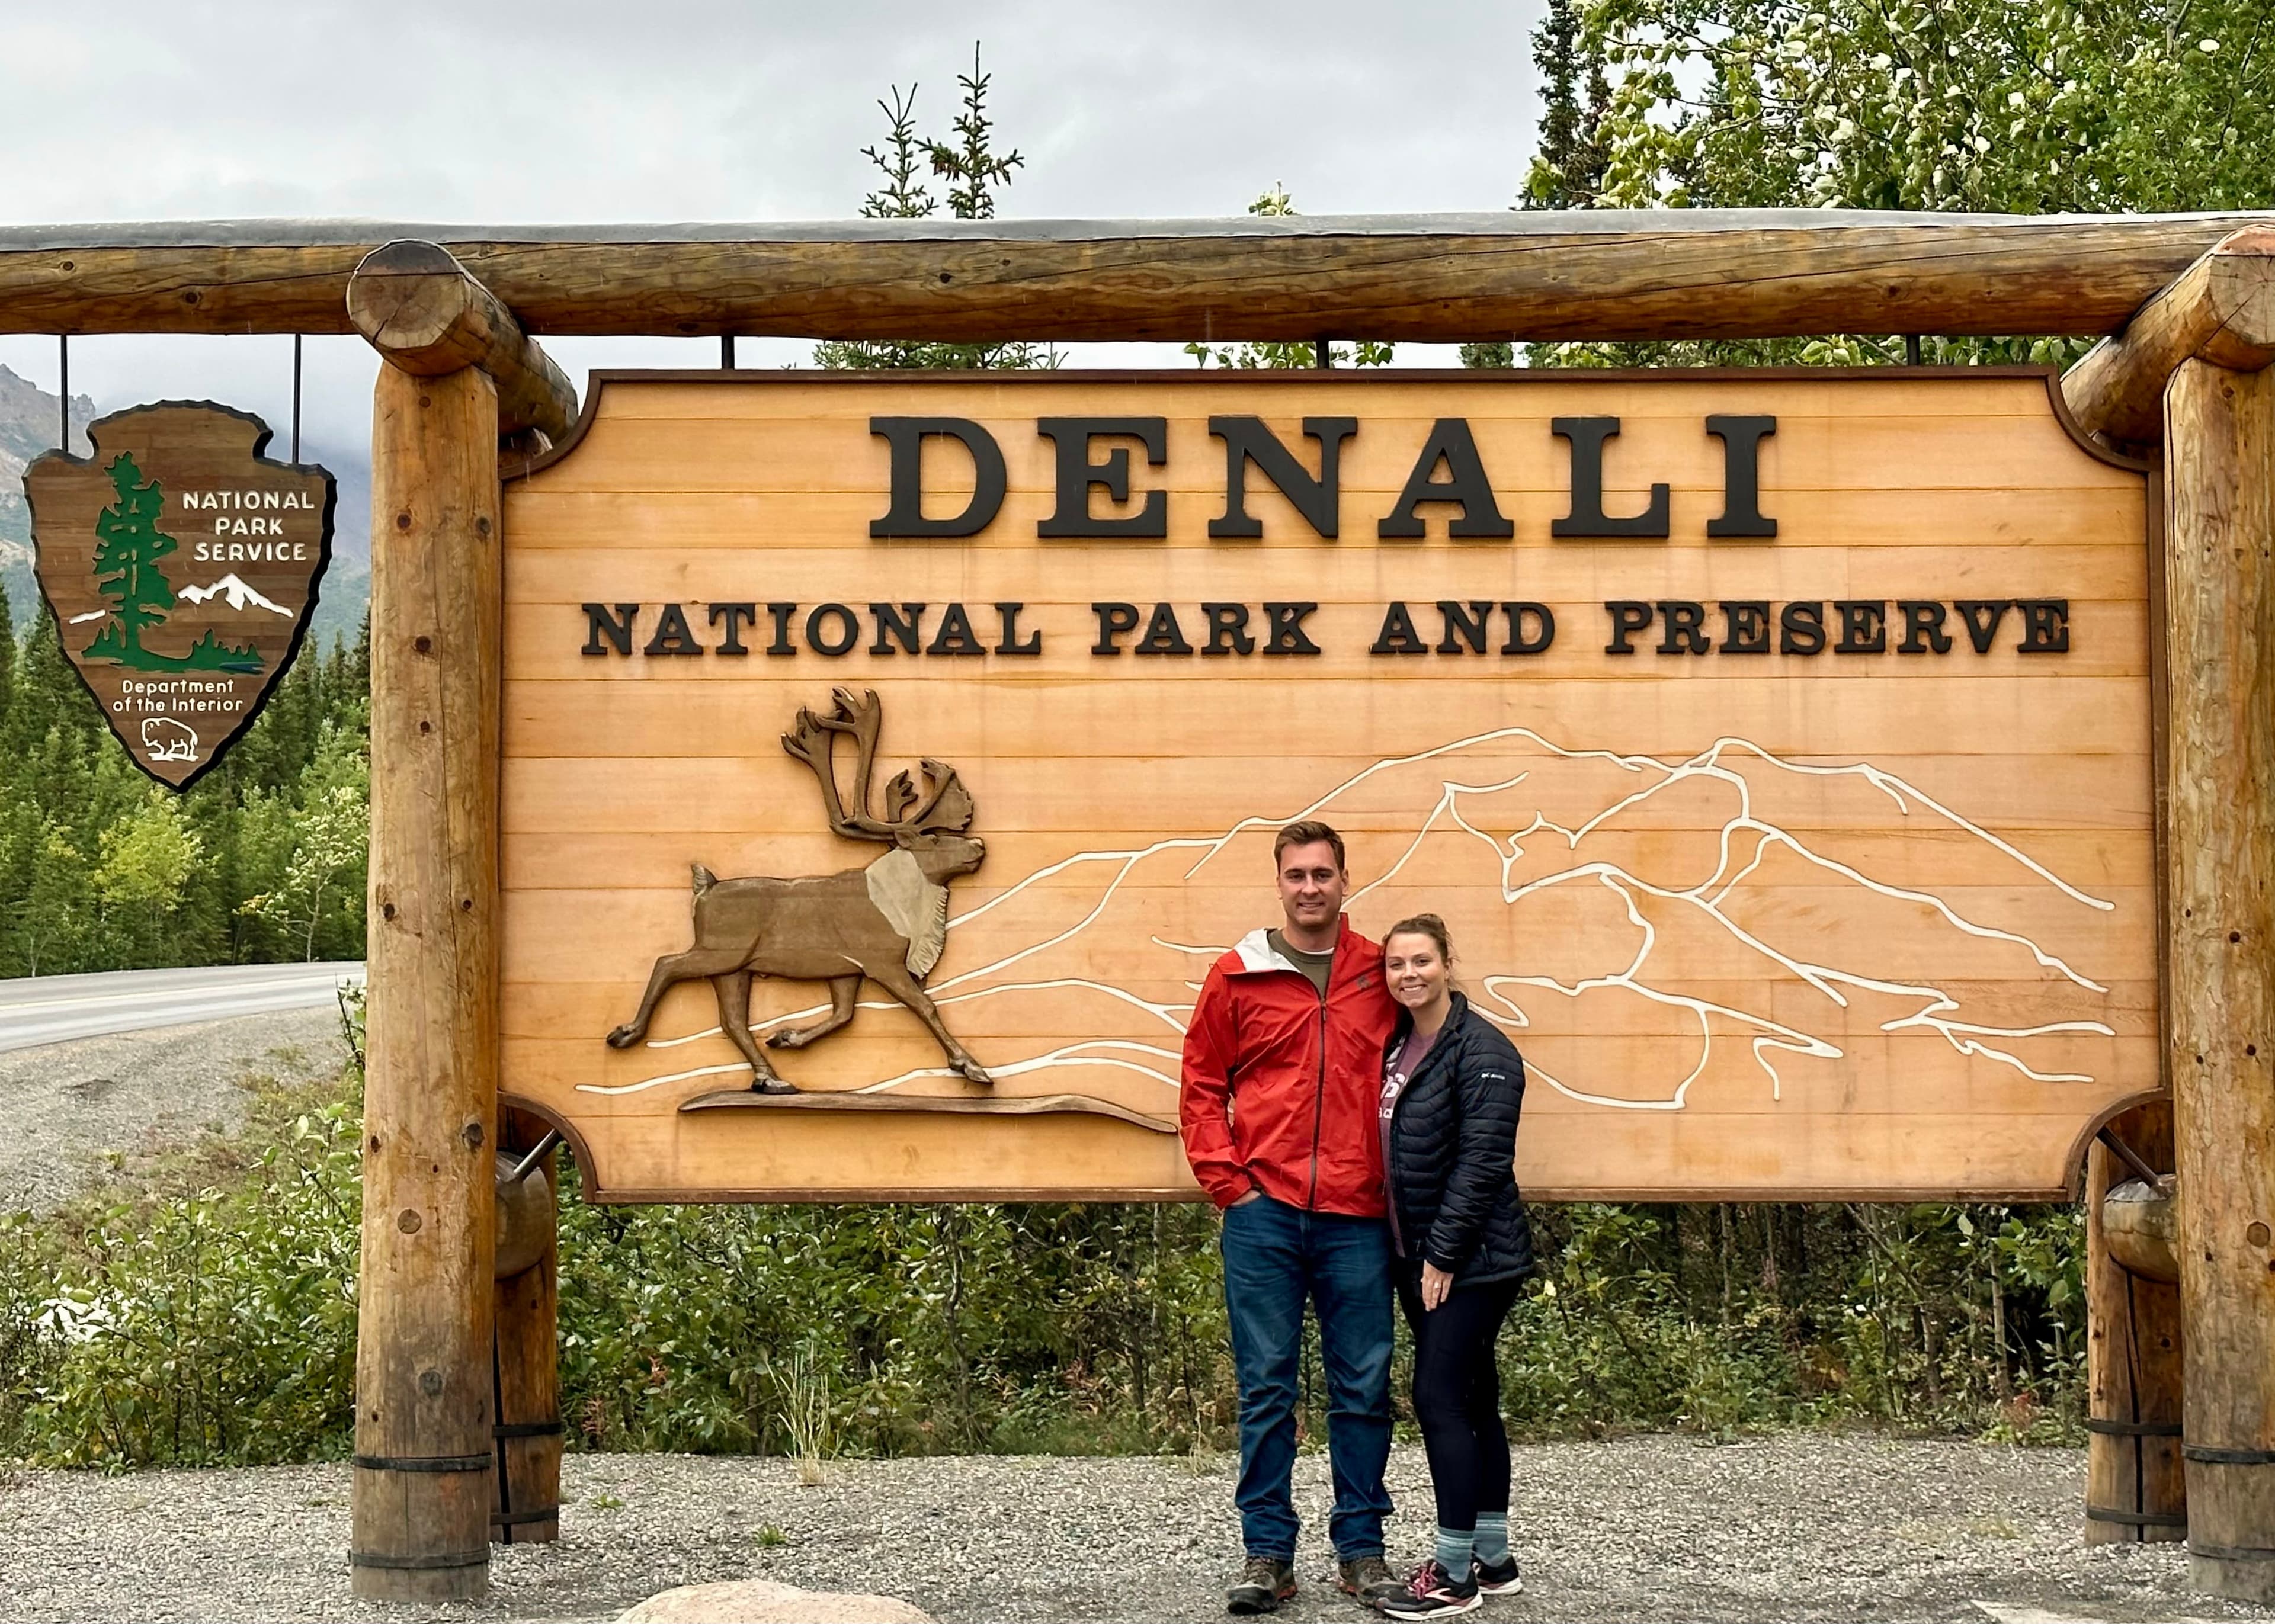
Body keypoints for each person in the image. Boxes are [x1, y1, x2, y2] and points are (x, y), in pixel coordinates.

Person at [1181, 820, 1403, 1615]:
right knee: (1267, 1387)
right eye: (1296, 874)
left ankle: (1362, 1550)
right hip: (1264, 1213)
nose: (1310, 886)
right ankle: (1267, 1551)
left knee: (1363, 1386)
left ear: (1346, 879)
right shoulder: (1238, 973)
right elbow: (1202, 1084)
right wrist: (1228, 1183)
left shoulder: (1383, 972)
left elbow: (1425, 1066)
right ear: (1278, 882)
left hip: (1358, 1217)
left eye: (1323, 873)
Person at [1372, 914, 1534, 1620]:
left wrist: (1443, 1255)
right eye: (1397, 964)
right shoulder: (1401, 1044)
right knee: (1472, 1399)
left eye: (1422, 961)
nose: (1409, 974)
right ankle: (1493, 1560)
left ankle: (1453, 1575)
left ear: (1447, 963)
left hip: (1472, 1262)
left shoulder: (1484, 1050)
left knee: (1438, 1398)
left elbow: (1483, 1162)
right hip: (1418, 1258)